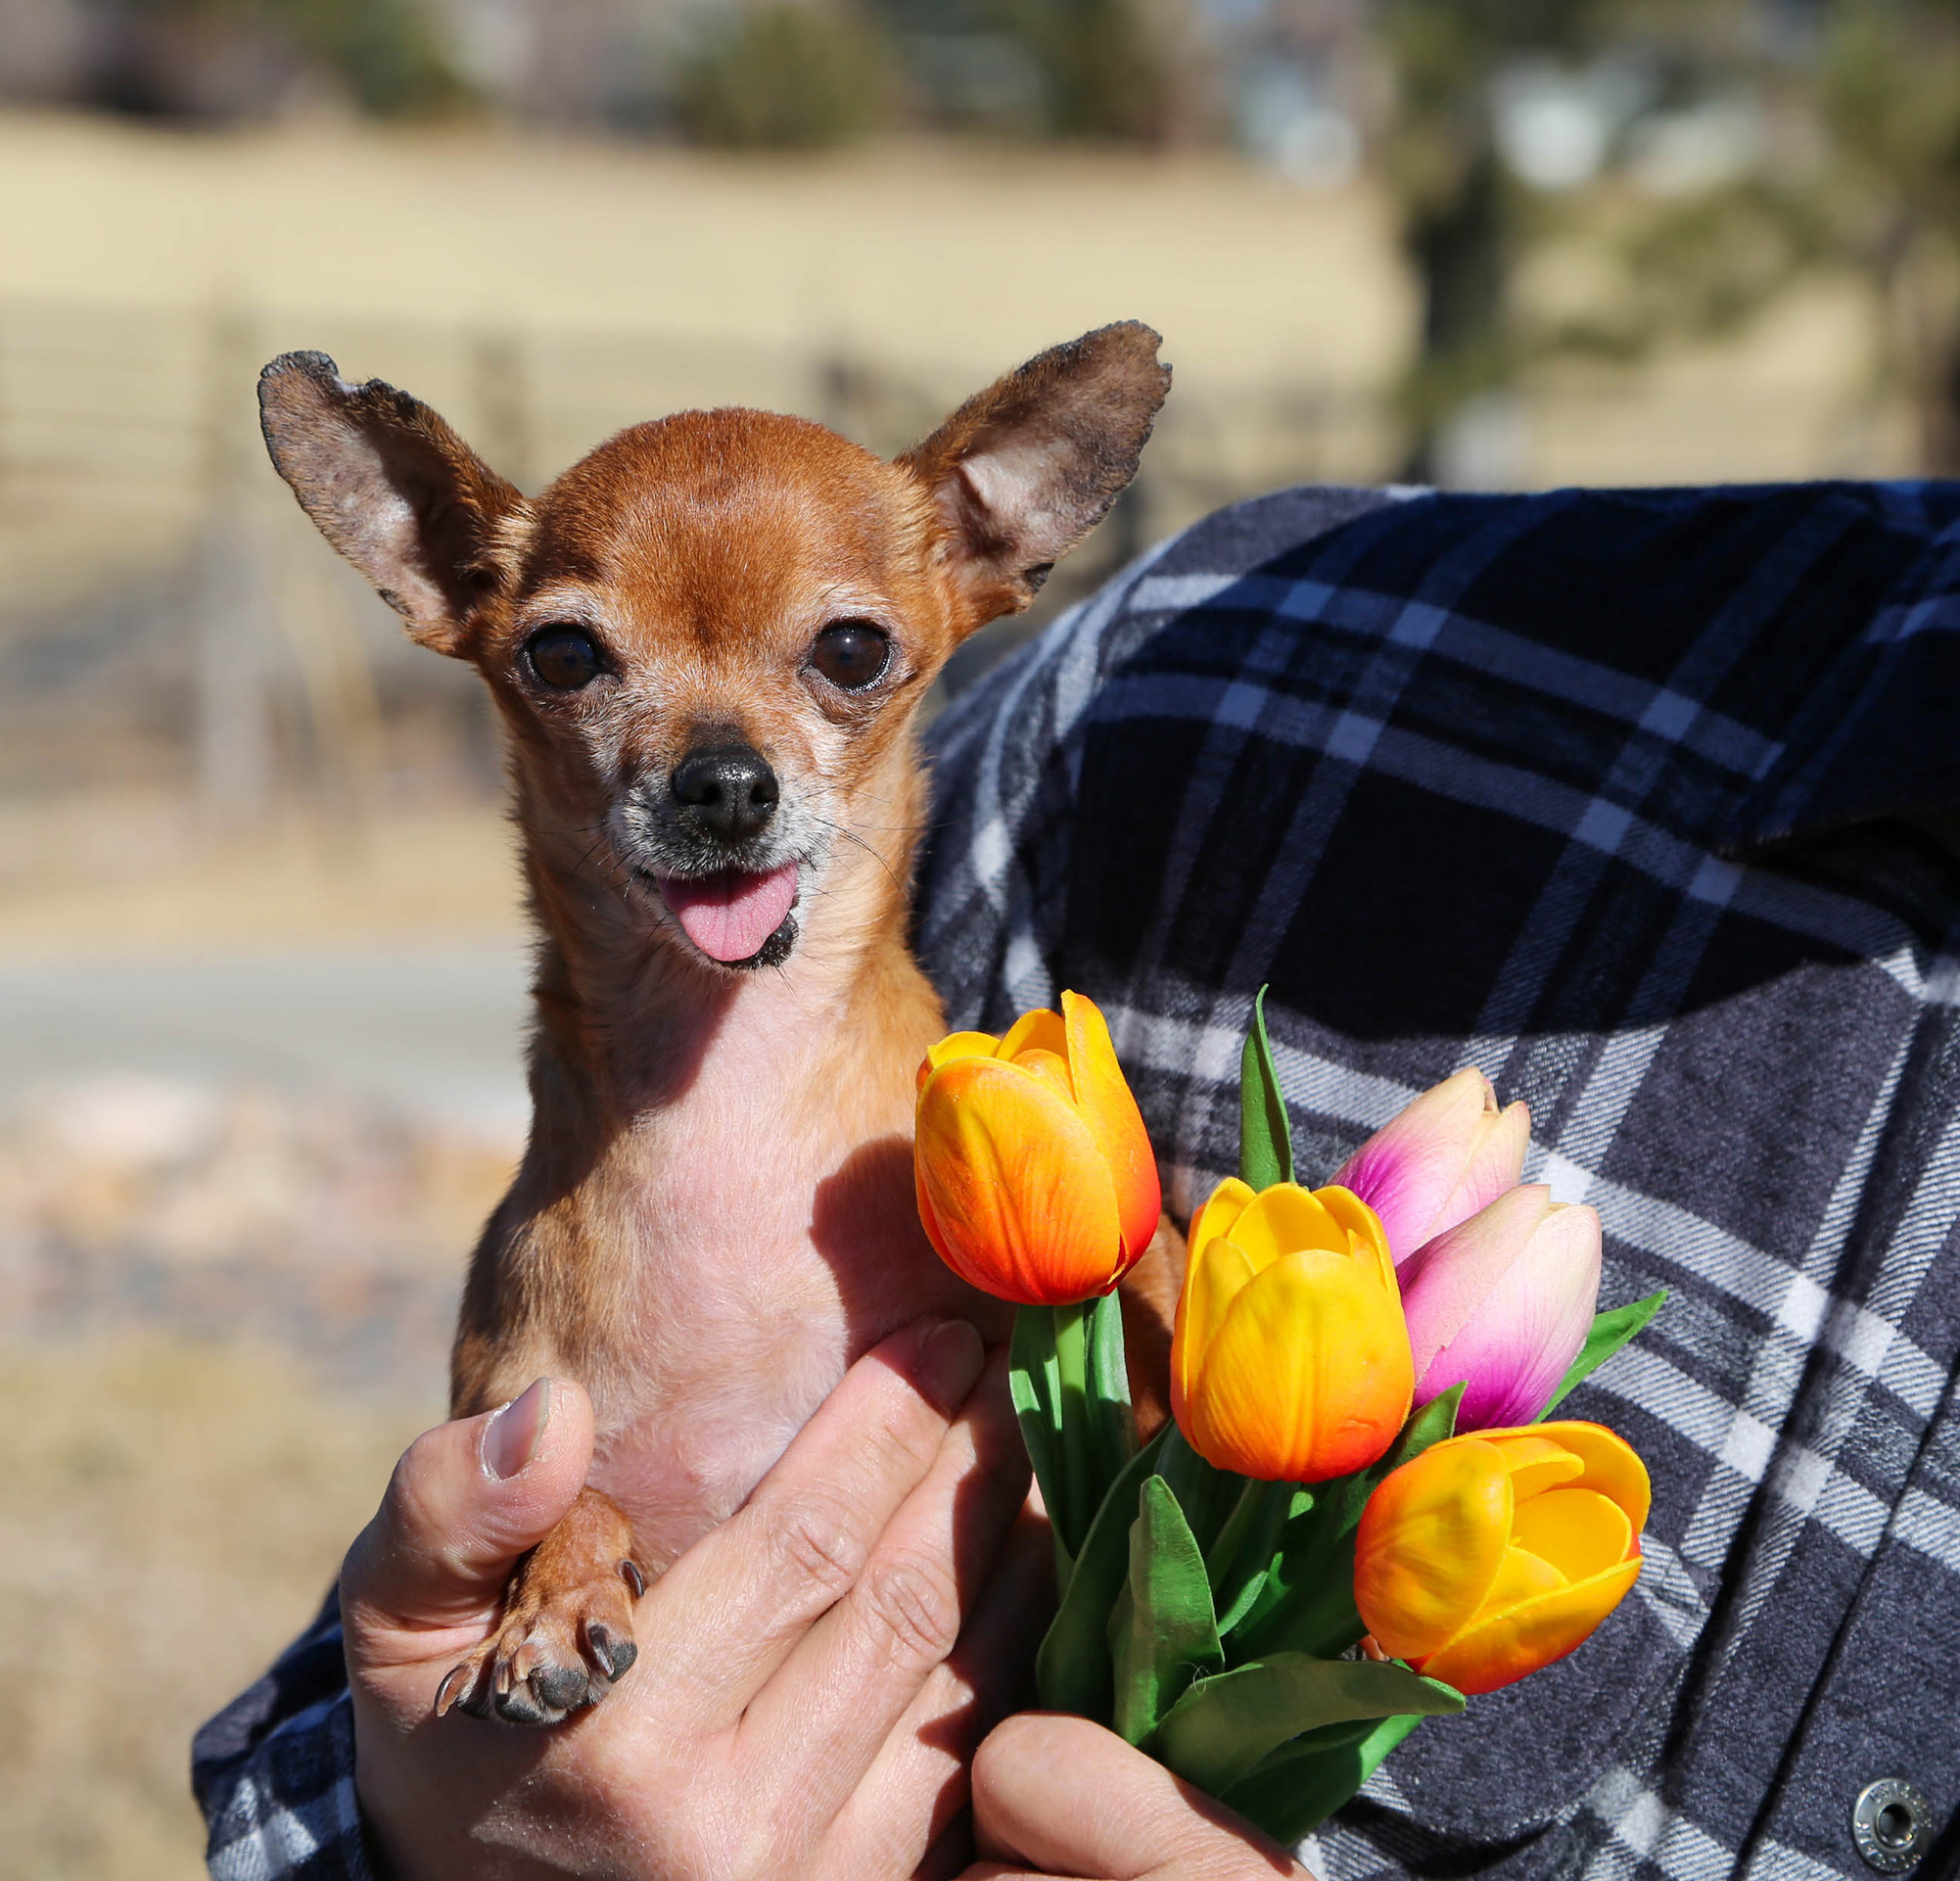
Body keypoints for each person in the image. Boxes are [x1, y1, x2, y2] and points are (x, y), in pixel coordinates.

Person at [197, 482, 1960, 1880]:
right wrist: (440, 1829)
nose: (718, 764)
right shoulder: (1191, 684)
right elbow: (357, 1713)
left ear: (985, 547)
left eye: (843, 656)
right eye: (585, 658)